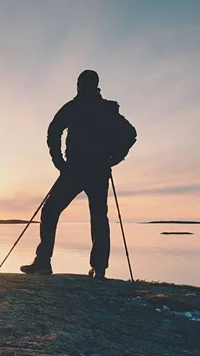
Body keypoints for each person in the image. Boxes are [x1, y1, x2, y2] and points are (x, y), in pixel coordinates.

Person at [20, 70, 128, 279]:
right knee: (98, 217)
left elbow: (53, 131)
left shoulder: (75, 106)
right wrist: (114, 157)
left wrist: (59, 161)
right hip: (97, 170)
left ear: (79, 84)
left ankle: (43, 262)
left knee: (51, 210)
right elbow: (130, 134)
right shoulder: (107, 109)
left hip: (76, 169)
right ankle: (99, 269)